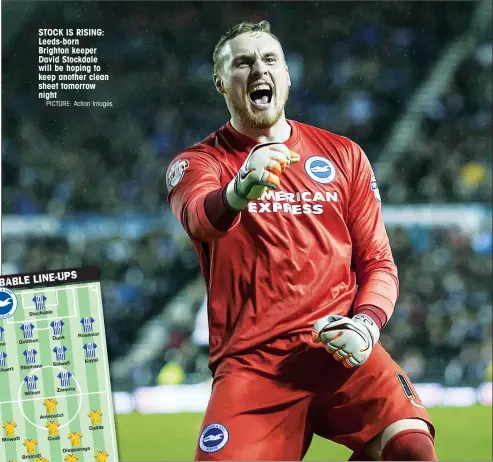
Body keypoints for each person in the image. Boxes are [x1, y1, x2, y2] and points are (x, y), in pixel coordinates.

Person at [167, 20, 436, 461]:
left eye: (270, 59)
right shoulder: (200, 161)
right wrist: (238, 190)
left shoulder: (343, 155)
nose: (259, 69)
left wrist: (367, 326)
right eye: (243, 63)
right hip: (253, 365)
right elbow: (199, 218)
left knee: (410, 448)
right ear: (221, 83)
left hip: (338, 348)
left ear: (287, 75)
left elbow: (378, 263)